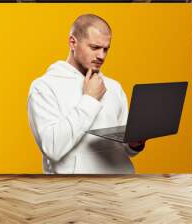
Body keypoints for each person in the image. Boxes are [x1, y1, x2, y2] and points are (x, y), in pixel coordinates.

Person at [27, 14, 146, 174]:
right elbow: (53, 148)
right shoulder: (43, 87)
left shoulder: (114, 86)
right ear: (72, 42)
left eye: (106, 49)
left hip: (121, 185)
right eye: (95, 47)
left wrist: (134, 144)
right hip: (75, 190)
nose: (101, 56)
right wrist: (90, 99)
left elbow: (125, 149)